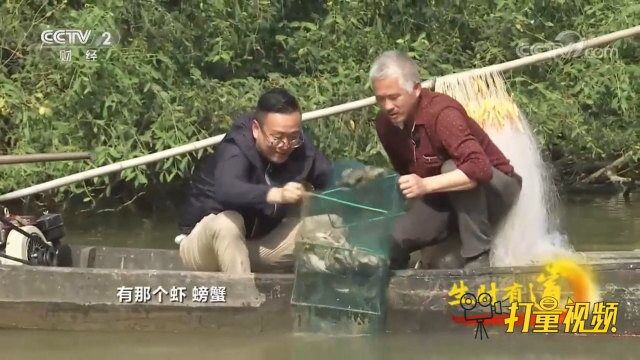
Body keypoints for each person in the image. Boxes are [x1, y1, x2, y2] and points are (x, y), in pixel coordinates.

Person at [368, 51, 522, 270]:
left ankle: (477, 257)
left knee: (453, 166)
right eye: (380, 99)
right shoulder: (385, 124)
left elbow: (479, 169)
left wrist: (424, 185)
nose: (388, 106)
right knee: (390, 241)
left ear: (416, 89)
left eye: (394, 97)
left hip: (497, 190)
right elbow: (406, 176)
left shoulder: (442, 113)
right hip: (444, 197)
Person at [177, 88, 333, 274]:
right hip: (206, 250)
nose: (285, 145)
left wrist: (355, 179)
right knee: (227, 223)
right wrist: (277, 194)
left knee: (330, 223)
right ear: (256, 129)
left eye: (293, 137)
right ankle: (242, 299)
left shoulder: (299, 148)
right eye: (277, 138)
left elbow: (331, 177)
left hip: (257, 248)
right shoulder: (236, 148)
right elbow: (228, 190)